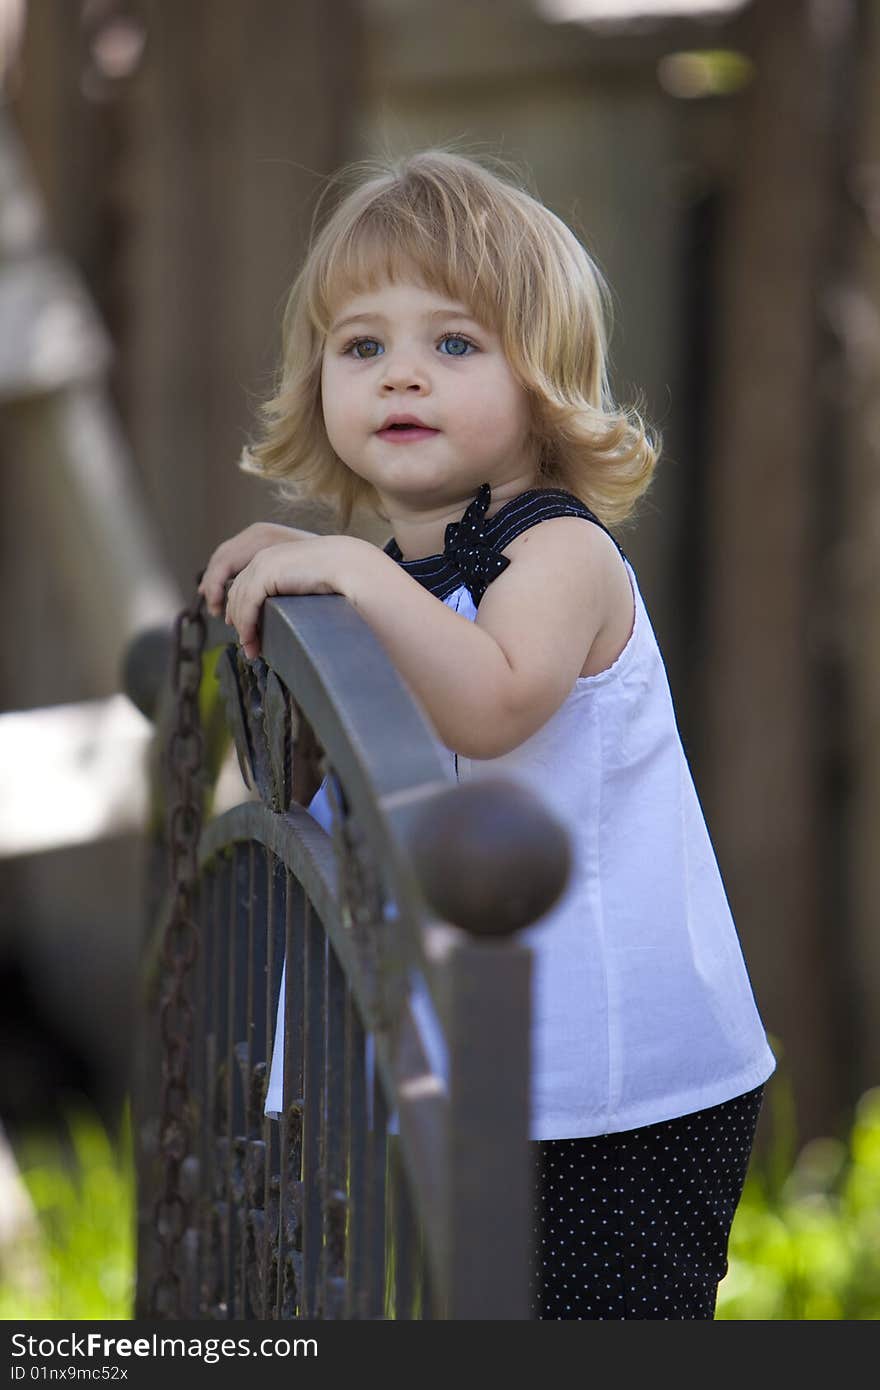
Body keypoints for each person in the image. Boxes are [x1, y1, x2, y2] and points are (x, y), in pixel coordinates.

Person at [198, 148, 776, 1320]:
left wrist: (350, 575)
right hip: (453, 1071)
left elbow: (495, 703)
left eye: (453, 344)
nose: (400, 374)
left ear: (544, 377)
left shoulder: (558, 551)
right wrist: (311, 599)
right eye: (362, 346)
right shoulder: (392, 565)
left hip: (607, 1097)